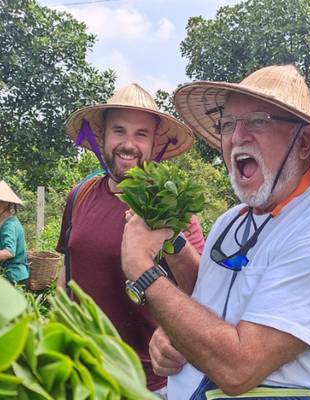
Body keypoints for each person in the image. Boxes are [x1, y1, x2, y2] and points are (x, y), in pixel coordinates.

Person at [120, 65, 310, 400]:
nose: (236, 136)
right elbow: (209, 292)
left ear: (303, 142)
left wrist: (143, 273)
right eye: (228, 124)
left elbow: (238, 369)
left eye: (258, 121)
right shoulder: (232, 221)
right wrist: (174, 328)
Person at [57, 83, 206, 397]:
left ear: (154, 145)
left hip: (150, 383)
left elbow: (202, 288)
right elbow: (67, 270)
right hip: (81, 372)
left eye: (141, 134)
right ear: (103, 138)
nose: (128, 144)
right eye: (119, 131)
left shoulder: (172, 206)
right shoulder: (79, 195)